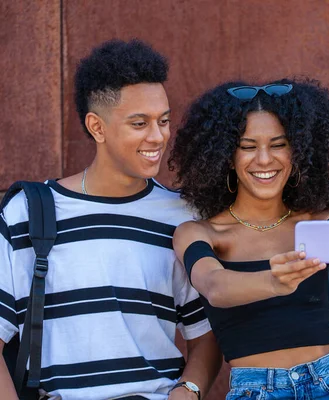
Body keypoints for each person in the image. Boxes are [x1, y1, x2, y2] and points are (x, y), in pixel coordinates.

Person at [0, 39, 221, 400]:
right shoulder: (28, 210)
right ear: (97, 127)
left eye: (163, 121)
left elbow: (206, 335)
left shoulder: (182, 217)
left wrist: (188, 392)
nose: (158, 136)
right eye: (139, 123)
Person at [169, 78, 329, 399]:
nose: (265, 159)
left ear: (299, 152)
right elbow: (215, 286)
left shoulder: (318, 222)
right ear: (226, 156)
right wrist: (273, 283)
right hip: (257, 390)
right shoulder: (201, 234)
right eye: (248, 147)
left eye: (279, 145)